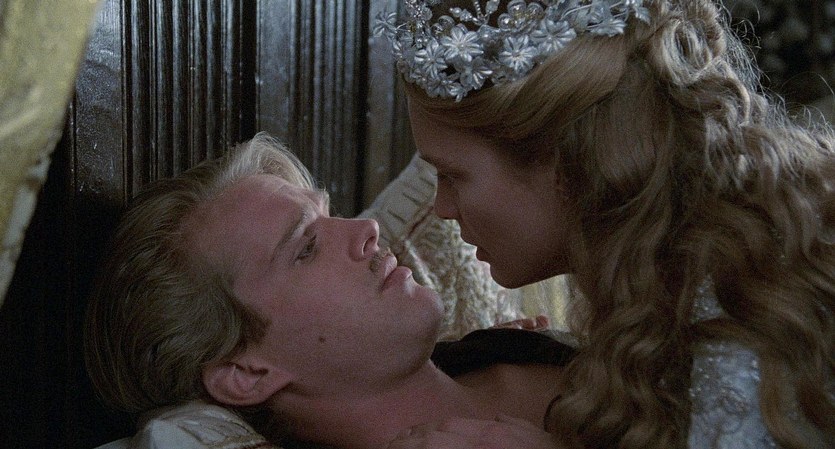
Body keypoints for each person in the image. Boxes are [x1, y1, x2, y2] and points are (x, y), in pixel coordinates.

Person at [375, 0, 835, 448]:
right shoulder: (659, 274)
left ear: (562, 161)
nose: (441, 207)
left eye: (452, 175)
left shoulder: (740, 297)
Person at [83, 132, 576, 449]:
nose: (366, 230)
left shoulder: (502, 348)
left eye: (330, 213)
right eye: (306, 248)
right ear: (247, 373)